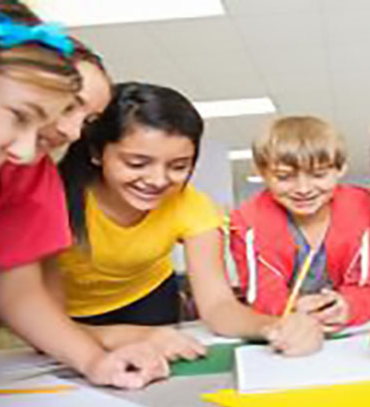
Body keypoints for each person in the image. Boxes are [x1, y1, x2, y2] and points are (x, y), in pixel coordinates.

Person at [0, 2, 164, 388]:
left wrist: (94, 361)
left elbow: (18, 291)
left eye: (88, 120)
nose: (74, 132)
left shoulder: (26, 169)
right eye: (69, 107)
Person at [53, 83, 323, 357]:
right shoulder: (54, 202)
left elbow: (218, 305)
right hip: (63, 316)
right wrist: (125, 336)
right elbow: (38, 320)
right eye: (137, 164)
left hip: (150, 304)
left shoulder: (193, 207)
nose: (158, 180)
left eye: (179, 166)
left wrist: (274, 327)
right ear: (97, 153)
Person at [230, 116, 370, 332]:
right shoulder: (247, 222)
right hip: (287, 329)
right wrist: (290, 310)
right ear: (262, 173)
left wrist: (348, 307)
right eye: (284, 177)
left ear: (341, 169)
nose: (303, 189)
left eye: (319, 175)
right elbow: (260, 291)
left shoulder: (368, 209)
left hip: (354, 331)